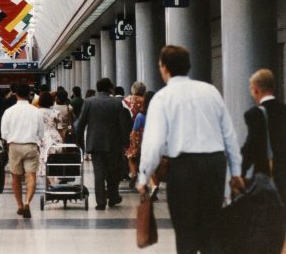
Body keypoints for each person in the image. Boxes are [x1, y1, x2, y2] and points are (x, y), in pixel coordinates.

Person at [137, 45, 244, 254]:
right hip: (214, 165)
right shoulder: (211, 92)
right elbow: (229, 135)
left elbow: (154, 143)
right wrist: (236, 172)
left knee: (185, 231)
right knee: (211, 228)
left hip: (183, 168)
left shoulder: (162, 98)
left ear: (165, 68)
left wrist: (144, 177)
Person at [78, 77, 128, 210]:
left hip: (95, 143)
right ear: (110, 88)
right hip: (114, 144)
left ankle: (100, 202)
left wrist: (79, 143)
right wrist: (125, 142)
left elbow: (81, 124)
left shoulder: (89, 102)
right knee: (113, 172)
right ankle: (113, 197)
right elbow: (121, 125)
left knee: (98, 173)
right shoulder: (117, 103)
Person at [241, 68, 286, 202]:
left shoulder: (254, 114)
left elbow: (251, 146)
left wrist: (240, 172)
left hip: (267, 177)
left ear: (255, 90)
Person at [1, 83, 44, 219]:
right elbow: (41, 134)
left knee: (16, 177)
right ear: (29, 94)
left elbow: (4, 134)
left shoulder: (9, 111)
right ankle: (27, 202)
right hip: (31, 145)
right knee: (31, 176)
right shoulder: (36, 111)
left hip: (14, 146)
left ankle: (19, 205)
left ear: (15, 94)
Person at [122, 82, 146, 187]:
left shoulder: (127, 100)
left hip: (132, 131)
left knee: (131, 155)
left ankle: (133, 173)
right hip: (144, 131)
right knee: (143, 155)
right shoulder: (145, 101)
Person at [37, 91, 62, 180]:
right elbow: (60, 127)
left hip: (42, 136)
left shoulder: (36, 112)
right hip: (54, 135)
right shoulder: (56, 112)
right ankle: (54, 176)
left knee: (43, 157)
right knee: (54, 158)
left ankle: (46, 176)